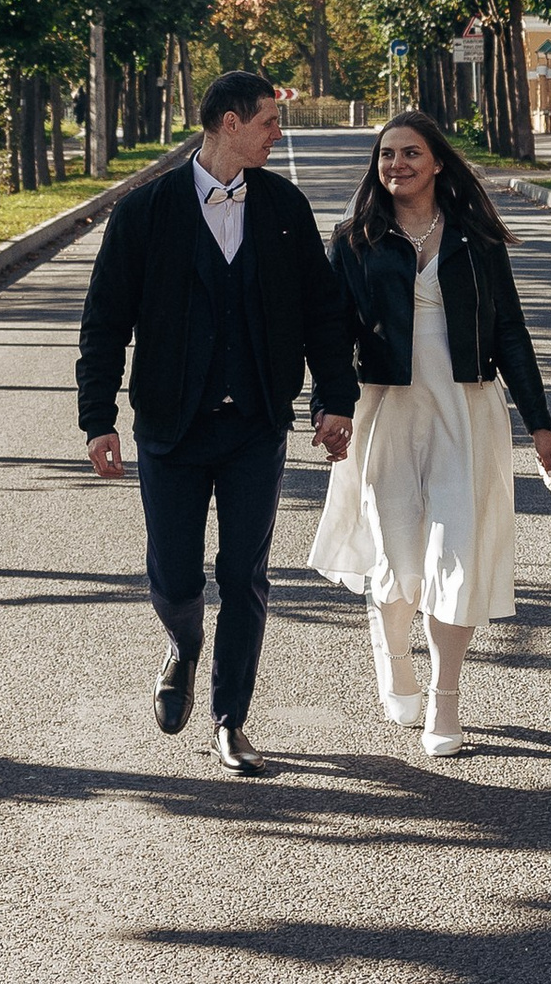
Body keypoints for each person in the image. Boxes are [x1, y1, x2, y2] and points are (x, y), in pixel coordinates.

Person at [77, 69, 358, 778]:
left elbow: (324, 315)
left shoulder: (285, 209)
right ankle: (182, 640)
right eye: (268, 121)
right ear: (228, 123)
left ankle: (230, 721)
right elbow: (105, 322)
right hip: (171, 426)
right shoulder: (143, 214)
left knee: (245, 574)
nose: (277, 133)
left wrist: (333, 400)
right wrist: (98, 419)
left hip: (256, 425)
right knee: (175, 576)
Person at [310, 111, 551, 759]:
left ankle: (446, 699)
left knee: (458, 558)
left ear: (438, 163)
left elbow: (510, 330)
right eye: (387, 154)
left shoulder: (476, 240)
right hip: (383, 413)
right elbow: (330, 337)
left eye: (410, 153)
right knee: (396, 559)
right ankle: (394, 652)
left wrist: (540, 424)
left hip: (466, 411)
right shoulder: (354, 241)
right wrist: (330, 408)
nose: (396, 164)